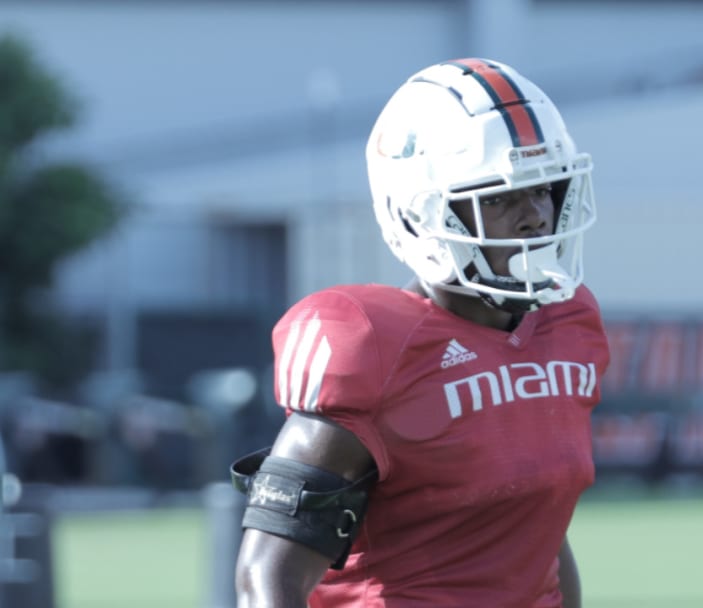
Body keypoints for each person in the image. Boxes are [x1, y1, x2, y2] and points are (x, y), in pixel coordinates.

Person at [232, 57, 609, 608]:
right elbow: (266, 578)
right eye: (499, 197)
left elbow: (538, 534)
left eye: (543, 189)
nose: (534, 216)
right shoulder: (373, 344)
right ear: (423, 215)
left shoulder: (566, 324)